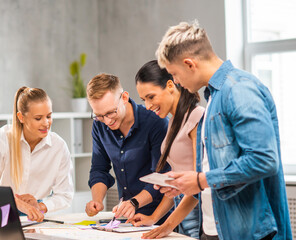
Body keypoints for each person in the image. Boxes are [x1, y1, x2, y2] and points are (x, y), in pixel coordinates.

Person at [154, 21, 292, 240]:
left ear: (189, 64)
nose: (177, 82)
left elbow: (264, 159)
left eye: (175, 74)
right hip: (216, 229)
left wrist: (200, 180)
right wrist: (188, 184)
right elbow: (217, 170)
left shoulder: (239, 89)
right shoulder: (213, 98)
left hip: (249, 233)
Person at [128, 60, 204, 239]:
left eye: (151, 97)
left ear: (170, 85)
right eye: (143, 100)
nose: (147, 106)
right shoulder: (172, 122)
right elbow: (180, 180)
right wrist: (154, 218)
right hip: (181, 214)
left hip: (197, 213)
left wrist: (168, 225)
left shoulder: (196, 117)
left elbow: (196, 183)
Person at [0, 86, 74, 222]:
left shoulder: (59, 147)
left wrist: (40, 206)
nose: (46, 123)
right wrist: (14, 202)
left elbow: (65, 195)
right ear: (21, 117)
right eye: (38, 118)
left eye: (49, 116)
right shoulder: (0, 139)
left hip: (34, 216)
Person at [85, 73, 171, 224]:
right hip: (127, 220)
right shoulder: (99, 125)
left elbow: (161, 176)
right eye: (99, 115)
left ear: (124, 97)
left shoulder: (156, 122)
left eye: (111, 112)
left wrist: (134, 202)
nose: (107, 121)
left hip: (161, 217)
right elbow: (99, 169)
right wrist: (97, 200)